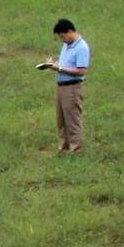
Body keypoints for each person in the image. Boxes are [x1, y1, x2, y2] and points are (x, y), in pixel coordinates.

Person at [35, 18, 90, 153]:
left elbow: (81, 71)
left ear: (70, 31)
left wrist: (59, 69)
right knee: (61, 119)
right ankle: (63, 147)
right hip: (61, 86)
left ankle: (75, 149)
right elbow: (66, 62)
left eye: (63, 36)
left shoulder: (82, 47)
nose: (62, 39)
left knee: (72, 119)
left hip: (72, 87)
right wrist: (53, 64)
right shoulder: (67, 45)